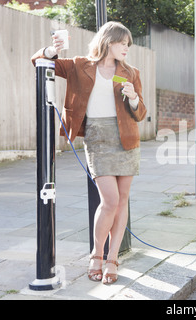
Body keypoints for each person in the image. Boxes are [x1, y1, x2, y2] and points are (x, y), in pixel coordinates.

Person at [31, 21, 147, 284]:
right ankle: (97, 254)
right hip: (96, 138)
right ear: (108, 42)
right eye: (122, 43)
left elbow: (140, 113)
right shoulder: (79, 65)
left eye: (128, 44)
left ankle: (113, 258)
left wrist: (133, 98)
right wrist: (52, 49)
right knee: (110, 201)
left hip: (127, 139)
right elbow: (38, 61)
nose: (126, 48)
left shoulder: (131, 72)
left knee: (122, 200)